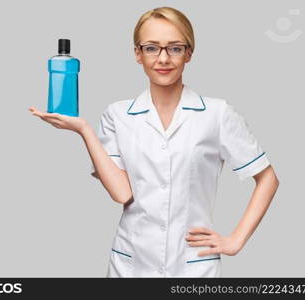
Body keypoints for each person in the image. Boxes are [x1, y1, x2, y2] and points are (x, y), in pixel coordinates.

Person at [28, 6, 279, 277]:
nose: (163, 58)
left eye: (174, 48)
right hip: (131, 265)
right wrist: (84, 130)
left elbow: (268, 178)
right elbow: (121, 194)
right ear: (138, 54)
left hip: (193, 266)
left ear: (189, 53)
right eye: (151, 48)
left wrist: (235, 240)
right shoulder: (117, 115)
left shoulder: (217, 114)